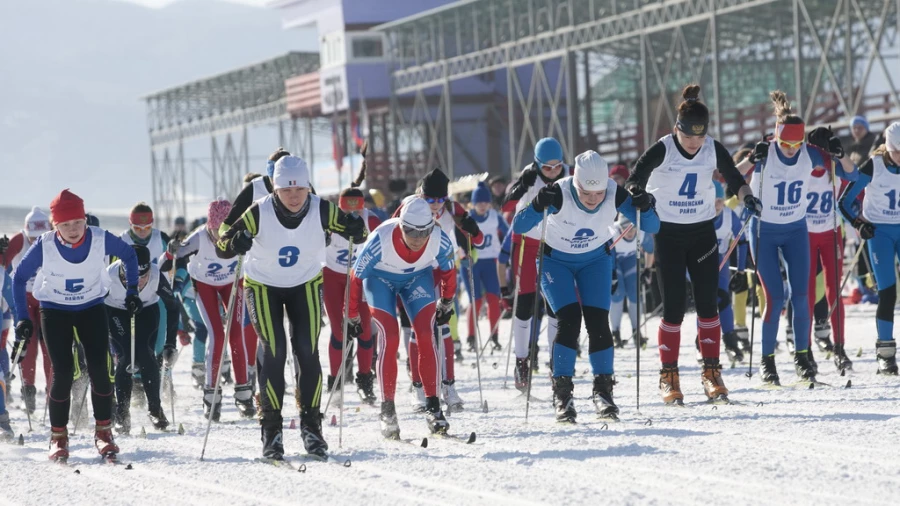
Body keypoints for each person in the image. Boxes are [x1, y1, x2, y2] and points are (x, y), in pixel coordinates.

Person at [217, 155, 366, 460]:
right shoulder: (258, 211)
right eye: (287, 190)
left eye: (299, 189)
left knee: (307, 350)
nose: (295, 196)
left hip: (305, 284)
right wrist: (236, 242)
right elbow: (223, 242)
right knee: (274, 350)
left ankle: (312, 428)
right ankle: (271, 431)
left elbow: (357, 233)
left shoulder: (321, 207)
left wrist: (354, 227)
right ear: (275, 188)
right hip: (262, 286)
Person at [625, 84, 753, 404]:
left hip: (702, 233)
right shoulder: (664, 148)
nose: (694, 143)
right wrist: (637, 194)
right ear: (676, 129)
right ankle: (668, 375)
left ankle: (711, 372)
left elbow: (733, 177)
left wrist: (749, 197)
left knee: (709, 305)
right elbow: (635, 177)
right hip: (668, 234)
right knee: (674, 308)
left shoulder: (711, 147)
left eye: (699, 135)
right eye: (688, 136)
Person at [513, 150, 660, 421]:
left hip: (595, 261)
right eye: (586, 194)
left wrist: (645, 204)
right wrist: (535, 205)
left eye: (598, 194)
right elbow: (519, 226)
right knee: (568, 318)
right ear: (576, 184)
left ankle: (603, 391)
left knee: (598, 322)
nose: (593, 200)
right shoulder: (558, 192)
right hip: (555, 261)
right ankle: (563, 394)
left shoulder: (615, 193)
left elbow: (653, 225)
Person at [11, 189, 140, 462]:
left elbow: (130, 256)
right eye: (65, 224)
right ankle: (58, 437)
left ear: (85, 219)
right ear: (55, 225)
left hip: (91, 307)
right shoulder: (44, 245)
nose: (73, 229)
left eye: (77, 222)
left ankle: (104, 432)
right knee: (64, 371)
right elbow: (18, 278)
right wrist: (23, 317)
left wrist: (132, 293)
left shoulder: (100, 239)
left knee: (100, 368)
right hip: (55, 310)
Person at [737, 92, 855, 384]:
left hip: (796, 231)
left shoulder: (809, 153)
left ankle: (802, 358)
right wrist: (751, 159)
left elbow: (851, 175)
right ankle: (768, 363)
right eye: (785, 143)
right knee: (775, 298)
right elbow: (731, 176)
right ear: (776, 138)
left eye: (795, 144)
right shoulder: (766, 151)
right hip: (764, 230)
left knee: (801, 297)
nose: (790, 150)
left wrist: (840, 154)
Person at [348, 197, 457, 438]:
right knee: (390, 336)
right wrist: (352, 315)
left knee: (426, 335)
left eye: (423, 232)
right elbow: (356, 278)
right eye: (410, 231)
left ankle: (433, 406)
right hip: (380, 279)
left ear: (432, 227)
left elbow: (450, 271)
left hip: (417, 278)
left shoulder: (439, 238)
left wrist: (447, 301)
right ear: (400, 226)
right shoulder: (380, 239)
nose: (417, 238)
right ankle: (388, 410)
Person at [393, 169, 483, 412]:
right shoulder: (409, 206)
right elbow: (391, 230)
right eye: (429, 199)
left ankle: (448, 386)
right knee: (419, 330)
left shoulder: (452, 209)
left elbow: (478, 236)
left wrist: (473, 231)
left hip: (443, 270)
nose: (435, 205)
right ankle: (418, 387)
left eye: (439, 200)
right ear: (420, 194)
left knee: (443, 327)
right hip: (417, 273)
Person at [175, 200, 255, 420]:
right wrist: (172, 253)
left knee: (236, 334)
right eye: (214, 230)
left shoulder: (240, 234)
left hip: (233, 283)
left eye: (224, 231)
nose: (219, 237)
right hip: (205, 285)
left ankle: (243, 393)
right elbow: (176, 254)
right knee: (218, 335)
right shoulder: (199, 237)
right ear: (209, 225)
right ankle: (211, 394)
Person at [503, 138, 569, 391]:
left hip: (555, 244)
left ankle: (555, 363)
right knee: (526, 303)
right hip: (527, 244)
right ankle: (522, 360)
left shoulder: (569, 176)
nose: (552, 172)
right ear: (537, 163)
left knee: (555, 305)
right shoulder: (529, 176)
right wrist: (522, 186)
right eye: (547, 168)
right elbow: (506, 205)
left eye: (557, 167)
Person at [838, 122, 900, 374]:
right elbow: (844, 202)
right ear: (889, 147)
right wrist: (858, 223)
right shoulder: (873, 165)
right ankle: (885, 353)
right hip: (880, 233)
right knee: (888, 293)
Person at [323, 170, 381, 404]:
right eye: (347, 211)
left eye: (357, 211)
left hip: (360, 278)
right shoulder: (328, 219)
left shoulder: (372, 220)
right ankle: (335, 384)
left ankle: (365, 381)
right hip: (333, 278)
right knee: (339, 332)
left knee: (365, 331)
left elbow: (385, 245)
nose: (353, 216)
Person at [105, 244, 178, 433]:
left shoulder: (155, 275)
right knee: (125, 357)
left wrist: (170, 343)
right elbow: (93, 304)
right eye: (131, 278)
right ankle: (122, 414)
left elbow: (173, 306)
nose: (138, 283)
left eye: (143, 277)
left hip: (146, 310)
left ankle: (155, 409)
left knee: (146, 354)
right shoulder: (110, 276)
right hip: (116, 311)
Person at [2, 206, 54, 414]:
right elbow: (2, 264)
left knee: (49, 347)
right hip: (23, 298)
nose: (35, 242)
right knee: (27, 346)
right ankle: (28, 392)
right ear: (26, 232)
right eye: (32, 237)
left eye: (38, 237)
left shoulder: (52, 239)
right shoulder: (18, 240)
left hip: (46, 298)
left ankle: (52, 393)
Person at [463, 182, 508, 353]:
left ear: (489, 203)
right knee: (475, 301)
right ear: (473, 203)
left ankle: (494, 336)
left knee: (493, 300)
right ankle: (471, 338)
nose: (482, 205)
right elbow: (458, 238)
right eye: (479, 202)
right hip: (473, 263)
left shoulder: (495, 216)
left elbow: (509, 233)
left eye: (485, 202)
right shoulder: (467, 217)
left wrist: (506, 252)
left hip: (491, 262)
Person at [709, 180, 748, 363]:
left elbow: (742, 241)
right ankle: (701, 345)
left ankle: (731, 343)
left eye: (719, 200)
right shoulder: (699, 215)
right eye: (712, 200)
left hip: (721, 262)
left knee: (723, 298)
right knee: (706, 302)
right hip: (697, 265)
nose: (716, 205)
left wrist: (740, 271)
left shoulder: (728, 215)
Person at [609, 215, 655, 349]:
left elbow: (650, 250)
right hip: (615, 262)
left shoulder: (641, 232)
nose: (630, 233)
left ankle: (636, 332)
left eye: (633, 229)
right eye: (626, 229)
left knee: (635, 293)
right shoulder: (612, 232)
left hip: (630, 260)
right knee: (618, 293)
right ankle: (615, 332)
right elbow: (607, 255)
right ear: (620, 227)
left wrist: (647, 269)